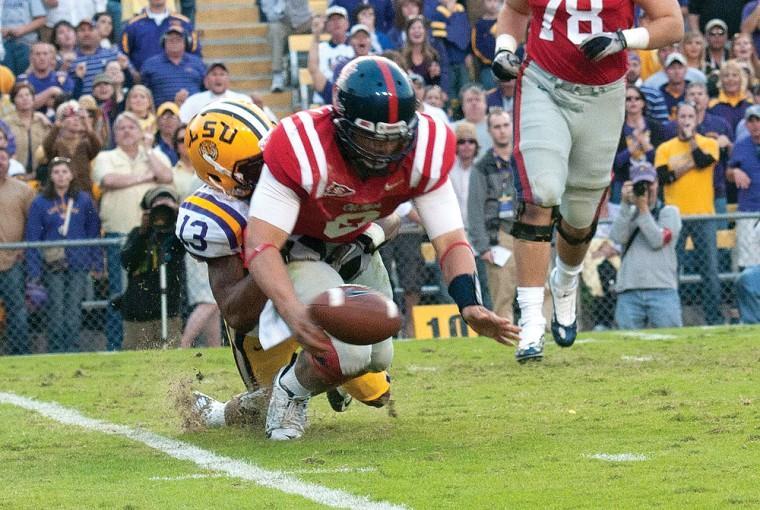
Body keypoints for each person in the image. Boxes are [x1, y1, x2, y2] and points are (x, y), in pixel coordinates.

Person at [245, 56, 518, 440]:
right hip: (301, 249)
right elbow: (260, 244)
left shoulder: (426, 147)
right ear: (341, 125)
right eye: (371, 137)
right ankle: (289, 392)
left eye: (394, 138)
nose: (382, 149)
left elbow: (450, 239)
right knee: (350, 355)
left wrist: (468, 302)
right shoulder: (303, 145)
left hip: (357, 246)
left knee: (378, 357)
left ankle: (317, 377)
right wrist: (291, 309)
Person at [176, 99, 398, 428]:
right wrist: (270, 257)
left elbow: (390, 218)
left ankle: (328, 375)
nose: (270, 167)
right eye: (255, 167)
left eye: (270, 152)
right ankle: (221, 416)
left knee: (376, 392)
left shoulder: (306, 165)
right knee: (266, 404)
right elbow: (236, 311)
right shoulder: (220, 215)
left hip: (330, 290)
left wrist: (361, 239)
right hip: (264, 318)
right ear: (221, 177)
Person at [491, 0, 683, 362]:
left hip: (604, 95)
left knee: (580, 215)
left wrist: (623, 39)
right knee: (541, 194)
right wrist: (504, 49)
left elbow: (672, 23)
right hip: (543, 85)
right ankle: (531, 321)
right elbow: (515, 11)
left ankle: (565, 279)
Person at [93, 111, 173, 350]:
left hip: (153, 237)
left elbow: (166, 176)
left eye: (131, 127)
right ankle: (117, 345)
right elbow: (108, 180)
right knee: (120, 293)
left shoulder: (154, 155)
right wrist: (146, 177)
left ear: (140, 132)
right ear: (114, 134)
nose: (127, 131)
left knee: (155, 291)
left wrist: (148, 151)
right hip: (119, 235)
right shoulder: (105, 156)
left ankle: (154, 343)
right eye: (121, 128)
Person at [655, 100, 723, 325]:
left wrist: (692, 141)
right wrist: (688, 166)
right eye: (682, 117)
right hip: (676, 217)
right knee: (672, 269)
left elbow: (704, 162)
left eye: (690, 118)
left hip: (704, 215)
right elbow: (664, 177)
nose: (686, 121)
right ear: (676, 118)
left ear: (696, 120)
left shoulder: (709, 143)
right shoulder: (665, 148)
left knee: (710, 272)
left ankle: (713, 319)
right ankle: (671, 317)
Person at [24, 157, 102, 352]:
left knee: (74, 308)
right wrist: (33, 271)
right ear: (50, 176)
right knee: (56, 309)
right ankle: (56, 349)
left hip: (78, 261)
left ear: (72, 175)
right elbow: (33, 237)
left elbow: (93, 231)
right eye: (56, 172)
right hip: (52, 264)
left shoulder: (83, 199)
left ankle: (72, 349)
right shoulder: (40, 202)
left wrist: (97, 262)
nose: (61, 176)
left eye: (64, 172)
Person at [610, 160, 683, 329]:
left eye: (649, 183)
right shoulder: (628, 213)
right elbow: (618, 237)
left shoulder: (669, 212)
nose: (646, 189)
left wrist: (642, 209)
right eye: (640, 184)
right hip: (629, 290)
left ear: (657, 184)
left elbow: (657, 240)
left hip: (662, 289)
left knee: (672, 344)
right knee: (626, 347)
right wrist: (625, 205)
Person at [120, 186, 185, 349]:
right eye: (157, 206)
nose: (162, 215)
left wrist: (180, 217)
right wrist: (143, 233)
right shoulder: (138, 234)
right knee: (134, 356)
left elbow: (186, 248)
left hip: (169, 309)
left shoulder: (179, 235)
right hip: (138, 311)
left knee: (171, 355)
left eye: (167, 207)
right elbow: (127, 262)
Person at [0, 147, 35, 355]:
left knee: (17, 309)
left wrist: (24, 247)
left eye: (3, 159)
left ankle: (20, 353)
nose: (0, 162)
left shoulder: (24, 190)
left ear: (9, 162)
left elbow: (33, 224)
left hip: (13, 259)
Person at [120, 0, 200, 71]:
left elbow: (195, 52)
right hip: (142, 81)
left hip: (178, 80)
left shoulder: (184, 23)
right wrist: (133, 73)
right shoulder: (133, 24)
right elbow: (123, 53)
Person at [41, 100, 102, 192]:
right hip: (61, 193)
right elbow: (47, 147)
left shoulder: (85, 144)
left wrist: (88, 126)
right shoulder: (57, 144)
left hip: (85, 194)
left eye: (80, 117)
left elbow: (97, 147)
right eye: (71, 117)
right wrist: (57, 126)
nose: (77, 119)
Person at [727, 104, 760, 270]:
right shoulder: (740, 145)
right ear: (746, 124)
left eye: (759, 120)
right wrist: (735, 172)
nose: (756, 125)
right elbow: (728, 172)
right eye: (751, 121)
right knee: (748, 263)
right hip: (748, 210)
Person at [140, 25, 205, 107]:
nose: (174, 42)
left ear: (186, 43)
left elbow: (205, 88)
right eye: (170, 40)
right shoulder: (150, 64)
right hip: (161, 116)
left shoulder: (197, 62)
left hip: (194, 115)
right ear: (164, 42)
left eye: (178, 39)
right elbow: (143, 90)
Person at [260, 0, 312, 93]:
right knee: (274, 29)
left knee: (321, 23)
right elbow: (270, 15)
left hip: (304, 22)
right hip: (283, 23)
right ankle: (278, 74)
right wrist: (281, 5)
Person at [5, 82, 52, 177]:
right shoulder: (6, 124)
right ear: (13, 100)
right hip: (13, 176)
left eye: (28, 95)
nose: (25, 98)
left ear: (33, 98)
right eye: (20, 96)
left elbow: (50, 148)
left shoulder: (43, 122)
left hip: (40, 176)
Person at [177, 62, 249, 123]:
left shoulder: (241, 101)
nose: (218, 78)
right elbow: (183, 123)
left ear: (228, 80)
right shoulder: (193, 101)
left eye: (222, 74)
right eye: (214, 74)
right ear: (206, 80)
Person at [0, 0, 46, 76]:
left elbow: (41, 19)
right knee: (5, 79)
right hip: (3, 45)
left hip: (26, 44)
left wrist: (22, 30)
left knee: (25, 79)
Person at [451, 83, 490, 150]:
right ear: (462, 106)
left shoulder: (498, 127)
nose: (474, 103)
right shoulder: (452, 129)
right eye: (469, 100)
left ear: (485, 104)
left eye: (478, 100)